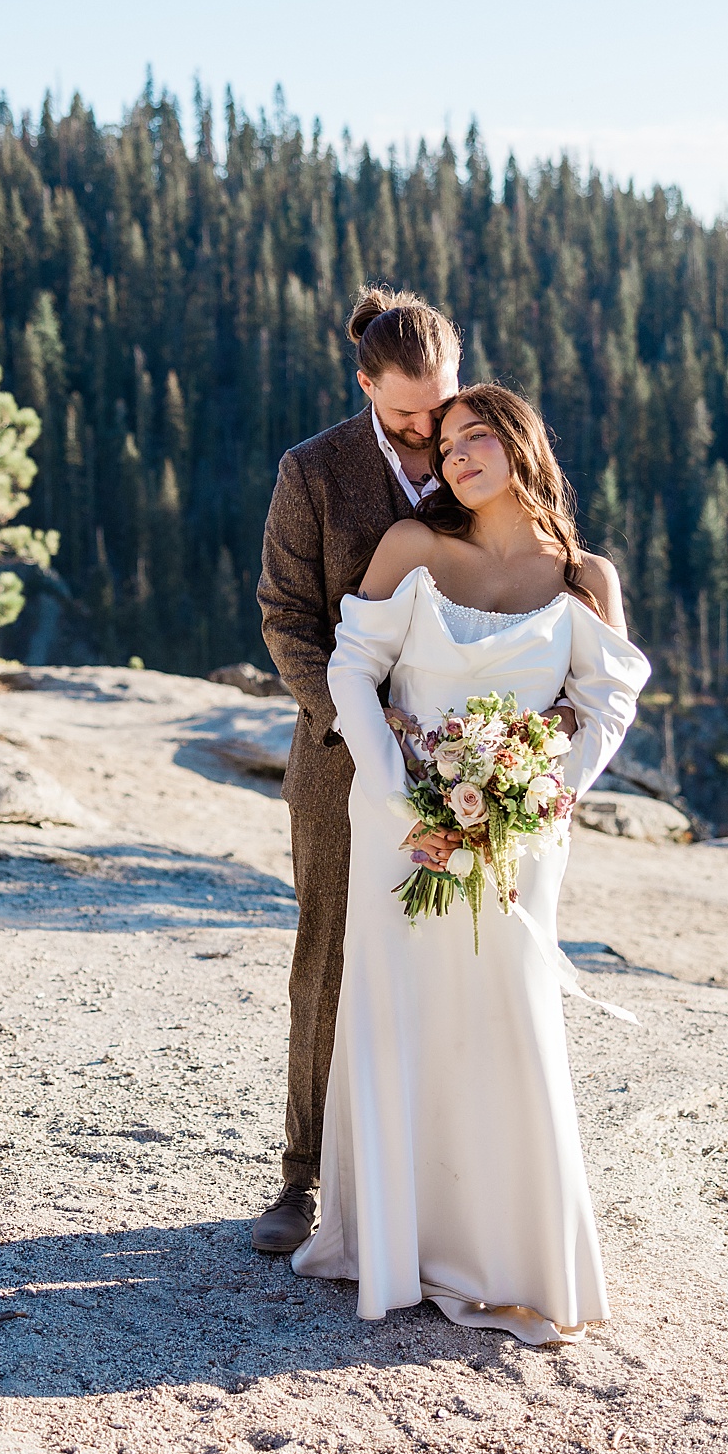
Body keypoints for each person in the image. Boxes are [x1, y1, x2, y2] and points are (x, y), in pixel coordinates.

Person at [289, 381, 649, 1346]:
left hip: (520, 839)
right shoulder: (411, 549)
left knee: (509, 1020)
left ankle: (514, 1256)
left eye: (475, 435)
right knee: (402, 1014)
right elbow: (352, 669)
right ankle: (390, 1243)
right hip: (399, 822)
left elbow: (605, 703)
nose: (454, 455)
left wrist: (526, 798)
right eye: (444, 444)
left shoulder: (586, 578)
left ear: (521, 443)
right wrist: (403, 792)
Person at [252, 286, 460, 1254]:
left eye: (441, 403)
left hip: (464, 759)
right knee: (328, 961)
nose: (428, 430)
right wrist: (360, 723)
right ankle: (302, 1178)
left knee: (449, 963)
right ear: (366, 383)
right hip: (338, 761)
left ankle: (429, 1183)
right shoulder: (313, 471)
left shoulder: (478, 448)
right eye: (406, 410)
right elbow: (286, 618)